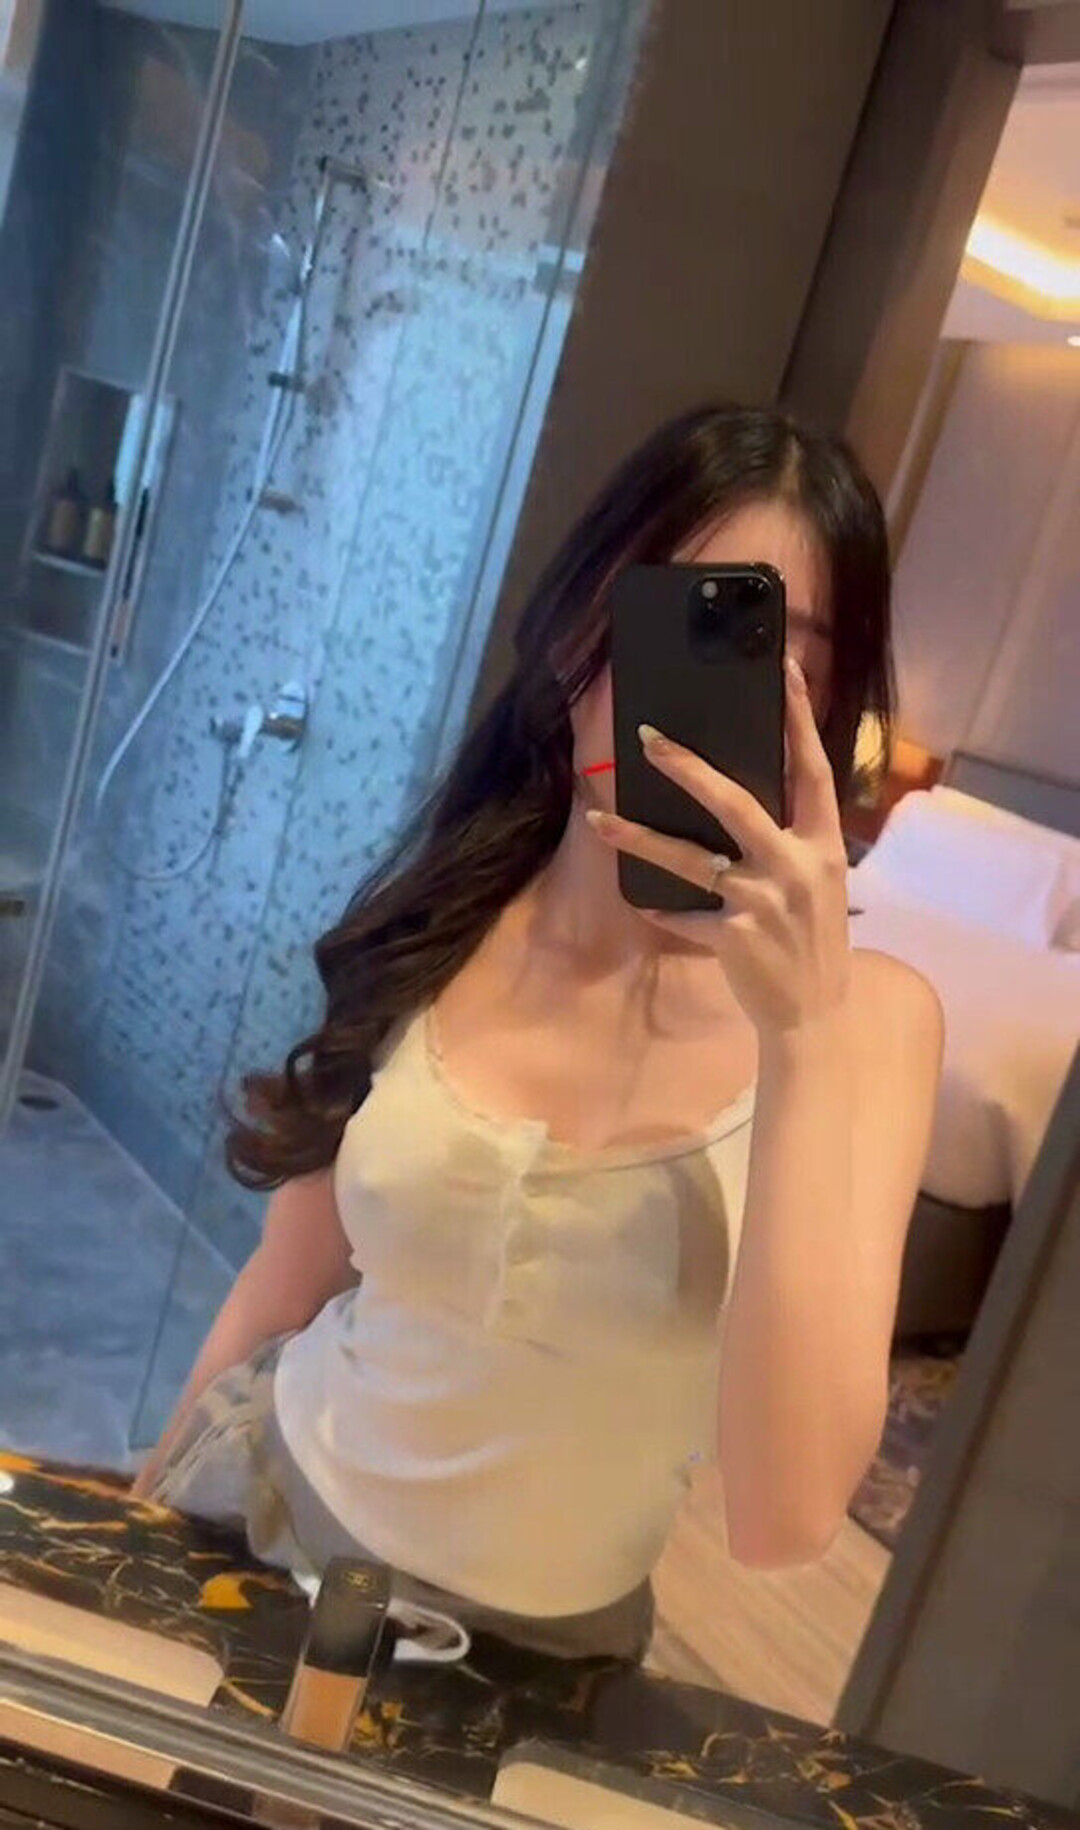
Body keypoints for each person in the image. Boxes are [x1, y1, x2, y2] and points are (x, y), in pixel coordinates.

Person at [133, 402, 944, 1665]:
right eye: (676, 624)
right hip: (261, 1511)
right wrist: (136, 1533)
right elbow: (284, 1286)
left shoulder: (870, 1023)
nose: (701, 693)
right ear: (578, 634)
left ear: (829, 702)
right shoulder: (449, 920)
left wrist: (799, 1037)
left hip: (541, 1665)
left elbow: (784, 1519)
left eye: (770, 652)